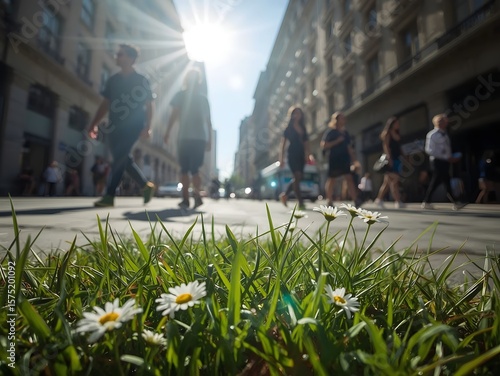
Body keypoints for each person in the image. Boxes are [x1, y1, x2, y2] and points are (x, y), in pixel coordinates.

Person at [88, 44, 155, 207]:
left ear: (131, 59)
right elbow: (105, 104)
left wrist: (148, 126)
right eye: (117, 54)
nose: (117, 56)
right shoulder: (113, 80)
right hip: (114, 125)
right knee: (123, 158)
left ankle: (109, 195)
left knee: (119, 158)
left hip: (133, 125)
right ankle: (145, 186)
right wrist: (94, 124)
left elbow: (149, 104)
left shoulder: (141, 80)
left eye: (121, 54)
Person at [164, 68, 212, 209]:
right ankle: (196, 196)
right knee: (194, 169)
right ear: (198, 81)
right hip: (199, 139)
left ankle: (186, 199)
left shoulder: (180, 95)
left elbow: (174, 115)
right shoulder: (203, 99)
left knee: (184, 169)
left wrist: (167, 132)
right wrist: (210, 141)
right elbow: (209, 122)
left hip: (184, 138)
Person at [421, 113, 466, 210]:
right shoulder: (432, 135)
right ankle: (455, 202)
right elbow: (429, 150)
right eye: (444, 121)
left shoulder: (445, 134)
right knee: (444, 180)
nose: (446, 123)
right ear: (439, 122)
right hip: (438, 161)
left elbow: (447, 149)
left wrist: (451, 157)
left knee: (439, 181)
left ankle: (427, 201)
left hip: (445, 161)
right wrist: (445, 157)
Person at [321, 112, 362, 207]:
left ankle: (355, 200)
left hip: (345, 159)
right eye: (342, 118)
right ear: (336, 120)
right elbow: (324, 145)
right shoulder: (331, 132)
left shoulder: (345, 133)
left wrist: (355, 161)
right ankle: (329, 200)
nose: (344, 120)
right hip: (334, 158)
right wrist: (337, 141)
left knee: (349, 178)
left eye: (344, 118)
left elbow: (349, 148)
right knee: (332, 179)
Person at [278, 106, 313, 210]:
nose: (297, 115)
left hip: (301, 154)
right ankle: (301, 203)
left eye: (299, 113)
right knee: (297, 176)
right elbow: (283, 144)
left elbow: (306, 143)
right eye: (295, 113)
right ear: (292, 115)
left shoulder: (303, 127)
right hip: (292, 154)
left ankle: (285, 195)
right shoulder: (288, 128)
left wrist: (309, 155)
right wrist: (281, 159)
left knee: (299, 177)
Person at [374, 116, 405, 208]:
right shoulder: (387, 133)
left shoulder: (397, 133)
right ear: (391, 124)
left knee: (387, 183)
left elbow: (399, 146)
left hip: (397, 158)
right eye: (396, 123)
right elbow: (386, 146)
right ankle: (398, 201)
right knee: (394, 180)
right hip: (391, 159)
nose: (398, 125)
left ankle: (379, 199)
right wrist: (389, 158)